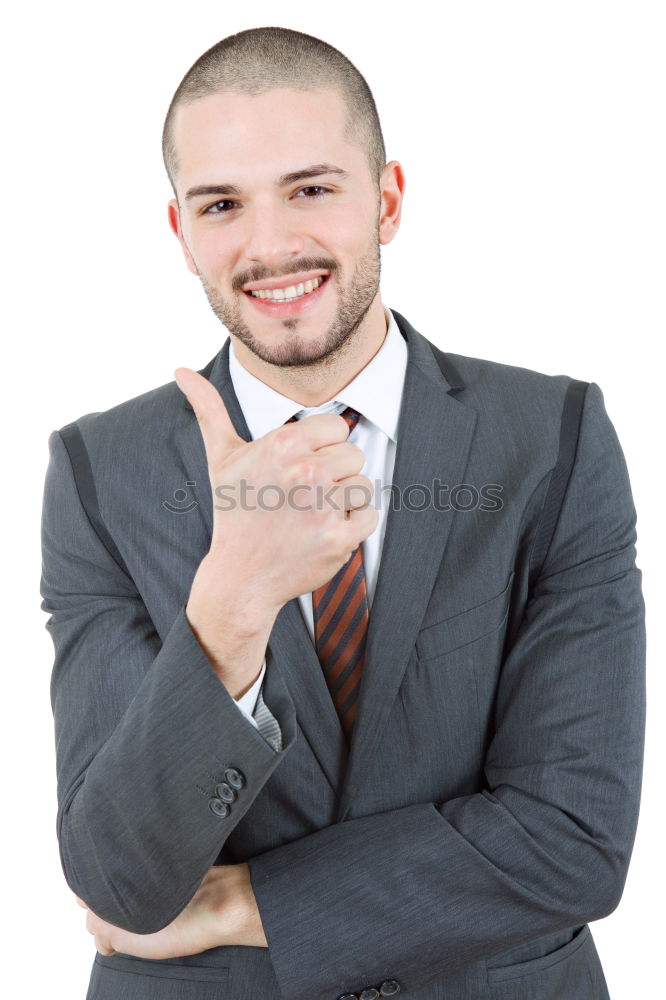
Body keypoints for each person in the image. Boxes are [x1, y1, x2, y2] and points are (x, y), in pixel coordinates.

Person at [40, 26, 646, 1000]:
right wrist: (231, 604)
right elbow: (122, 881)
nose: (270, 244)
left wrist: (250, 904)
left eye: (311, 188)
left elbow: (574, 839)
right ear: (180, 230)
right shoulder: (98, 472)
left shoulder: (553, 439)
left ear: (388, 200)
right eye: (223, 204)